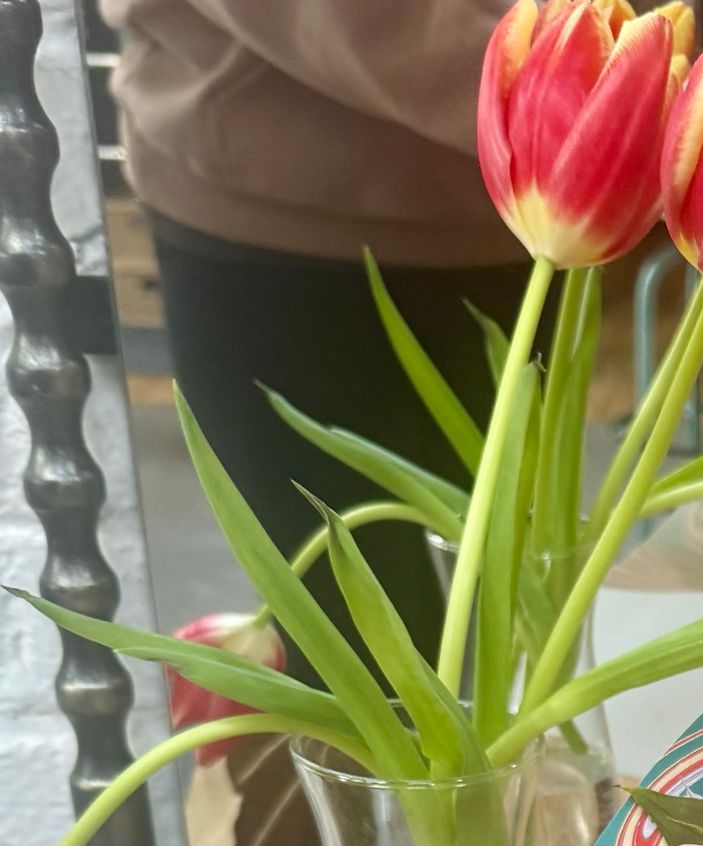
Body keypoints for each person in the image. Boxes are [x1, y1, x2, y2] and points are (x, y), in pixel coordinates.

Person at [102, 0, 542, 659]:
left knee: (520, 612)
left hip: (531, 211)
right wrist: (590, 97)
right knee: (349, 638)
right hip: (269, 212)